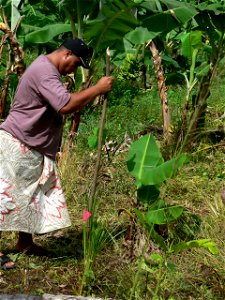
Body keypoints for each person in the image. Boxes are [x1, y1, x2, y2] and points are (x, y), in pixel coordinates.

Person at [0, 37, 113, 261]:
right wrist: (97, 89)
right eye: (76, 64)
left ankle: (25, 242)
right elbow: (65, 105)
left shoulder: (47, 70)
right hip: (18, 142)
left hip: (31, 144)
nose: (74, 70)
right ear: (67, 55)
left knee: (30, 196)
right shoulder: (45, 71)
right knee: (5, 197)